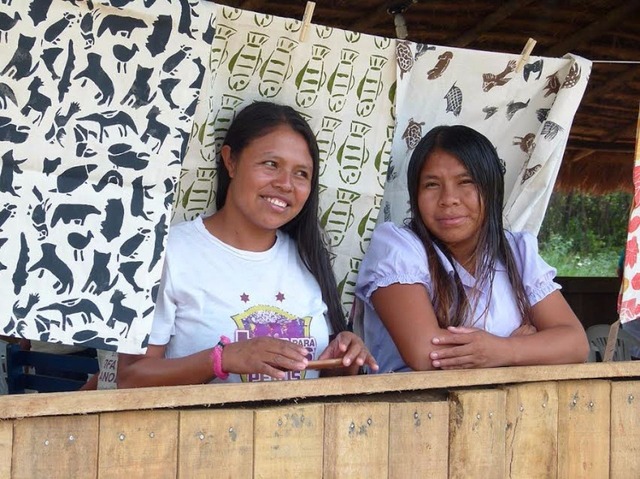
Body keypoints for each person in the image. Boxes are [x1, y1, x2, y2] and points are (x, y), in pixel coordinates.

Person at [117, 101, 377, 387]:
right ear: (230, 160)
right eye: (271, 164)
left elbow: (319, 381)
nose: (286, 184)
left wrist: (343, 360)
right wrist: (221, 359)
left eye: (301, 173)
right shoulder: (171, 252)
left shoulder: (308, 257)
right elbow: (130, 378)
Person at [355, 125, 589, 373]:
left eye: (465, 182)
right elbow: (427, 354)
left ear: (491, 190)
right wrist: (524, 346)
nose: (449, 199)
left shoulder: (517, 252)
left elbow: (575, 343)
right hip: (411, 409)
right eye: (432, 185)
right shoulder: (398, 247)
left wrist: (504, 349)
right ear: (415, 194)